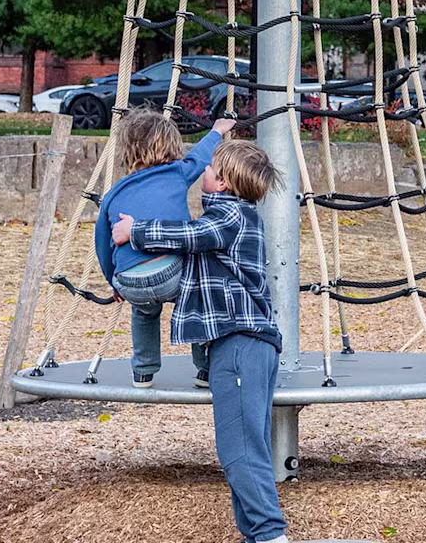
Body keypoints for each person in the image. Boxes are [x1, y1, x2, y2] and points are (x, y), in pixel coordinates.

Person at [113, 139, 288, 543]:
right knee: (246, 446)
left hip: (241, 343)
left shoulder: (230, 217)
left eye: (209, 168)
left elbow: (189, 236)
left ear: (223, 182)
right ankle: (257, 534)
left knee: (240, 450)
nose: (202, 173)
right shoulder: (233, 216)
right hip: (246, 344)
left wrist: (132, 231)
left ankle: (270, 535)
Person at [93, 109, 235, 386]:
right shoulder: (178, 172)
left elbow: (102, 243)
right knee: (200, 294)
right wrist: (217, 130)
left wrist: (113, 281)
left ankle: (143, 371)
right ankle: (205, 367)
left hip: (128, 280)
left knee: (144, 311)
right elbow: (202, 156)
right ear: (172, 146)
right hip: (171, 274)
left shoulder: (114, 192)